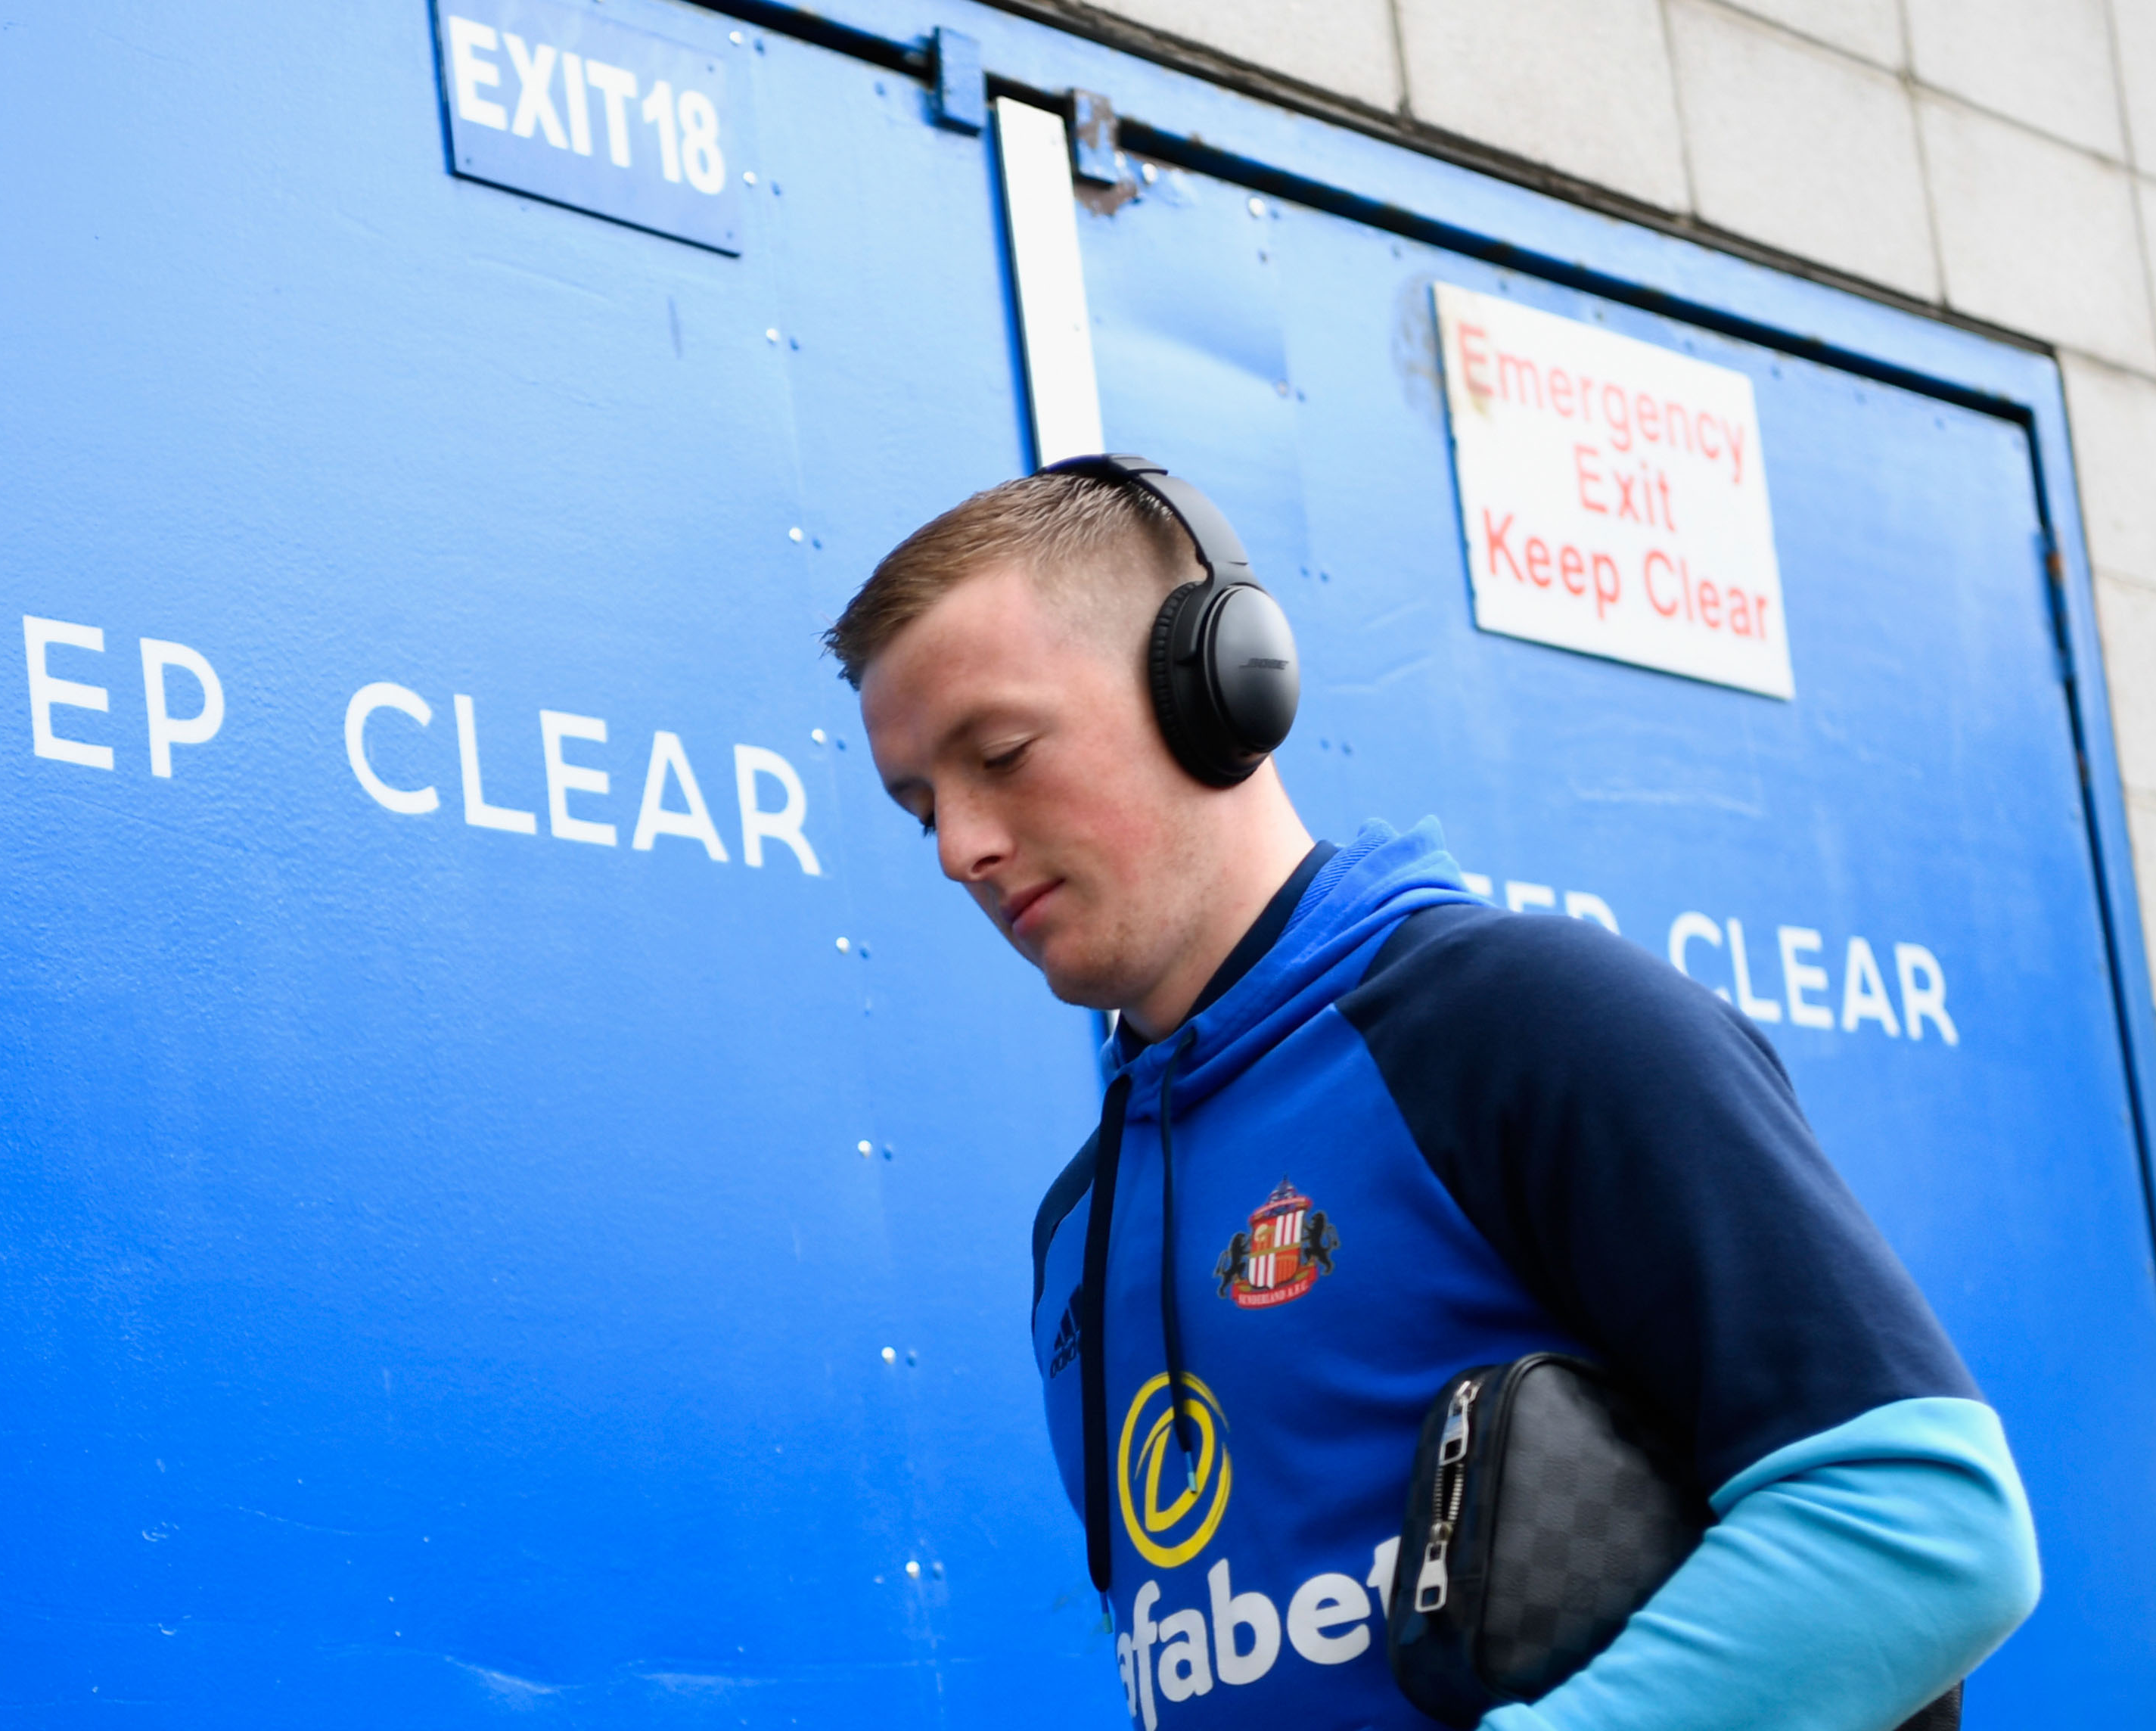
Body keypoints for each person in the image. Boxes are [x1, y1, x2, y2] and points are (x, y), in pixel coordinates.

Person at [828, 463, 2040, 1731]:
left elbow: (1925, 1521)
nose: (964, 844)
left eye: (1003, 755)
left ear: (1214, 690)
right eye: (922, 812)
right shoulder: (1079, 1226)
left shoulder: (1524, 1023)